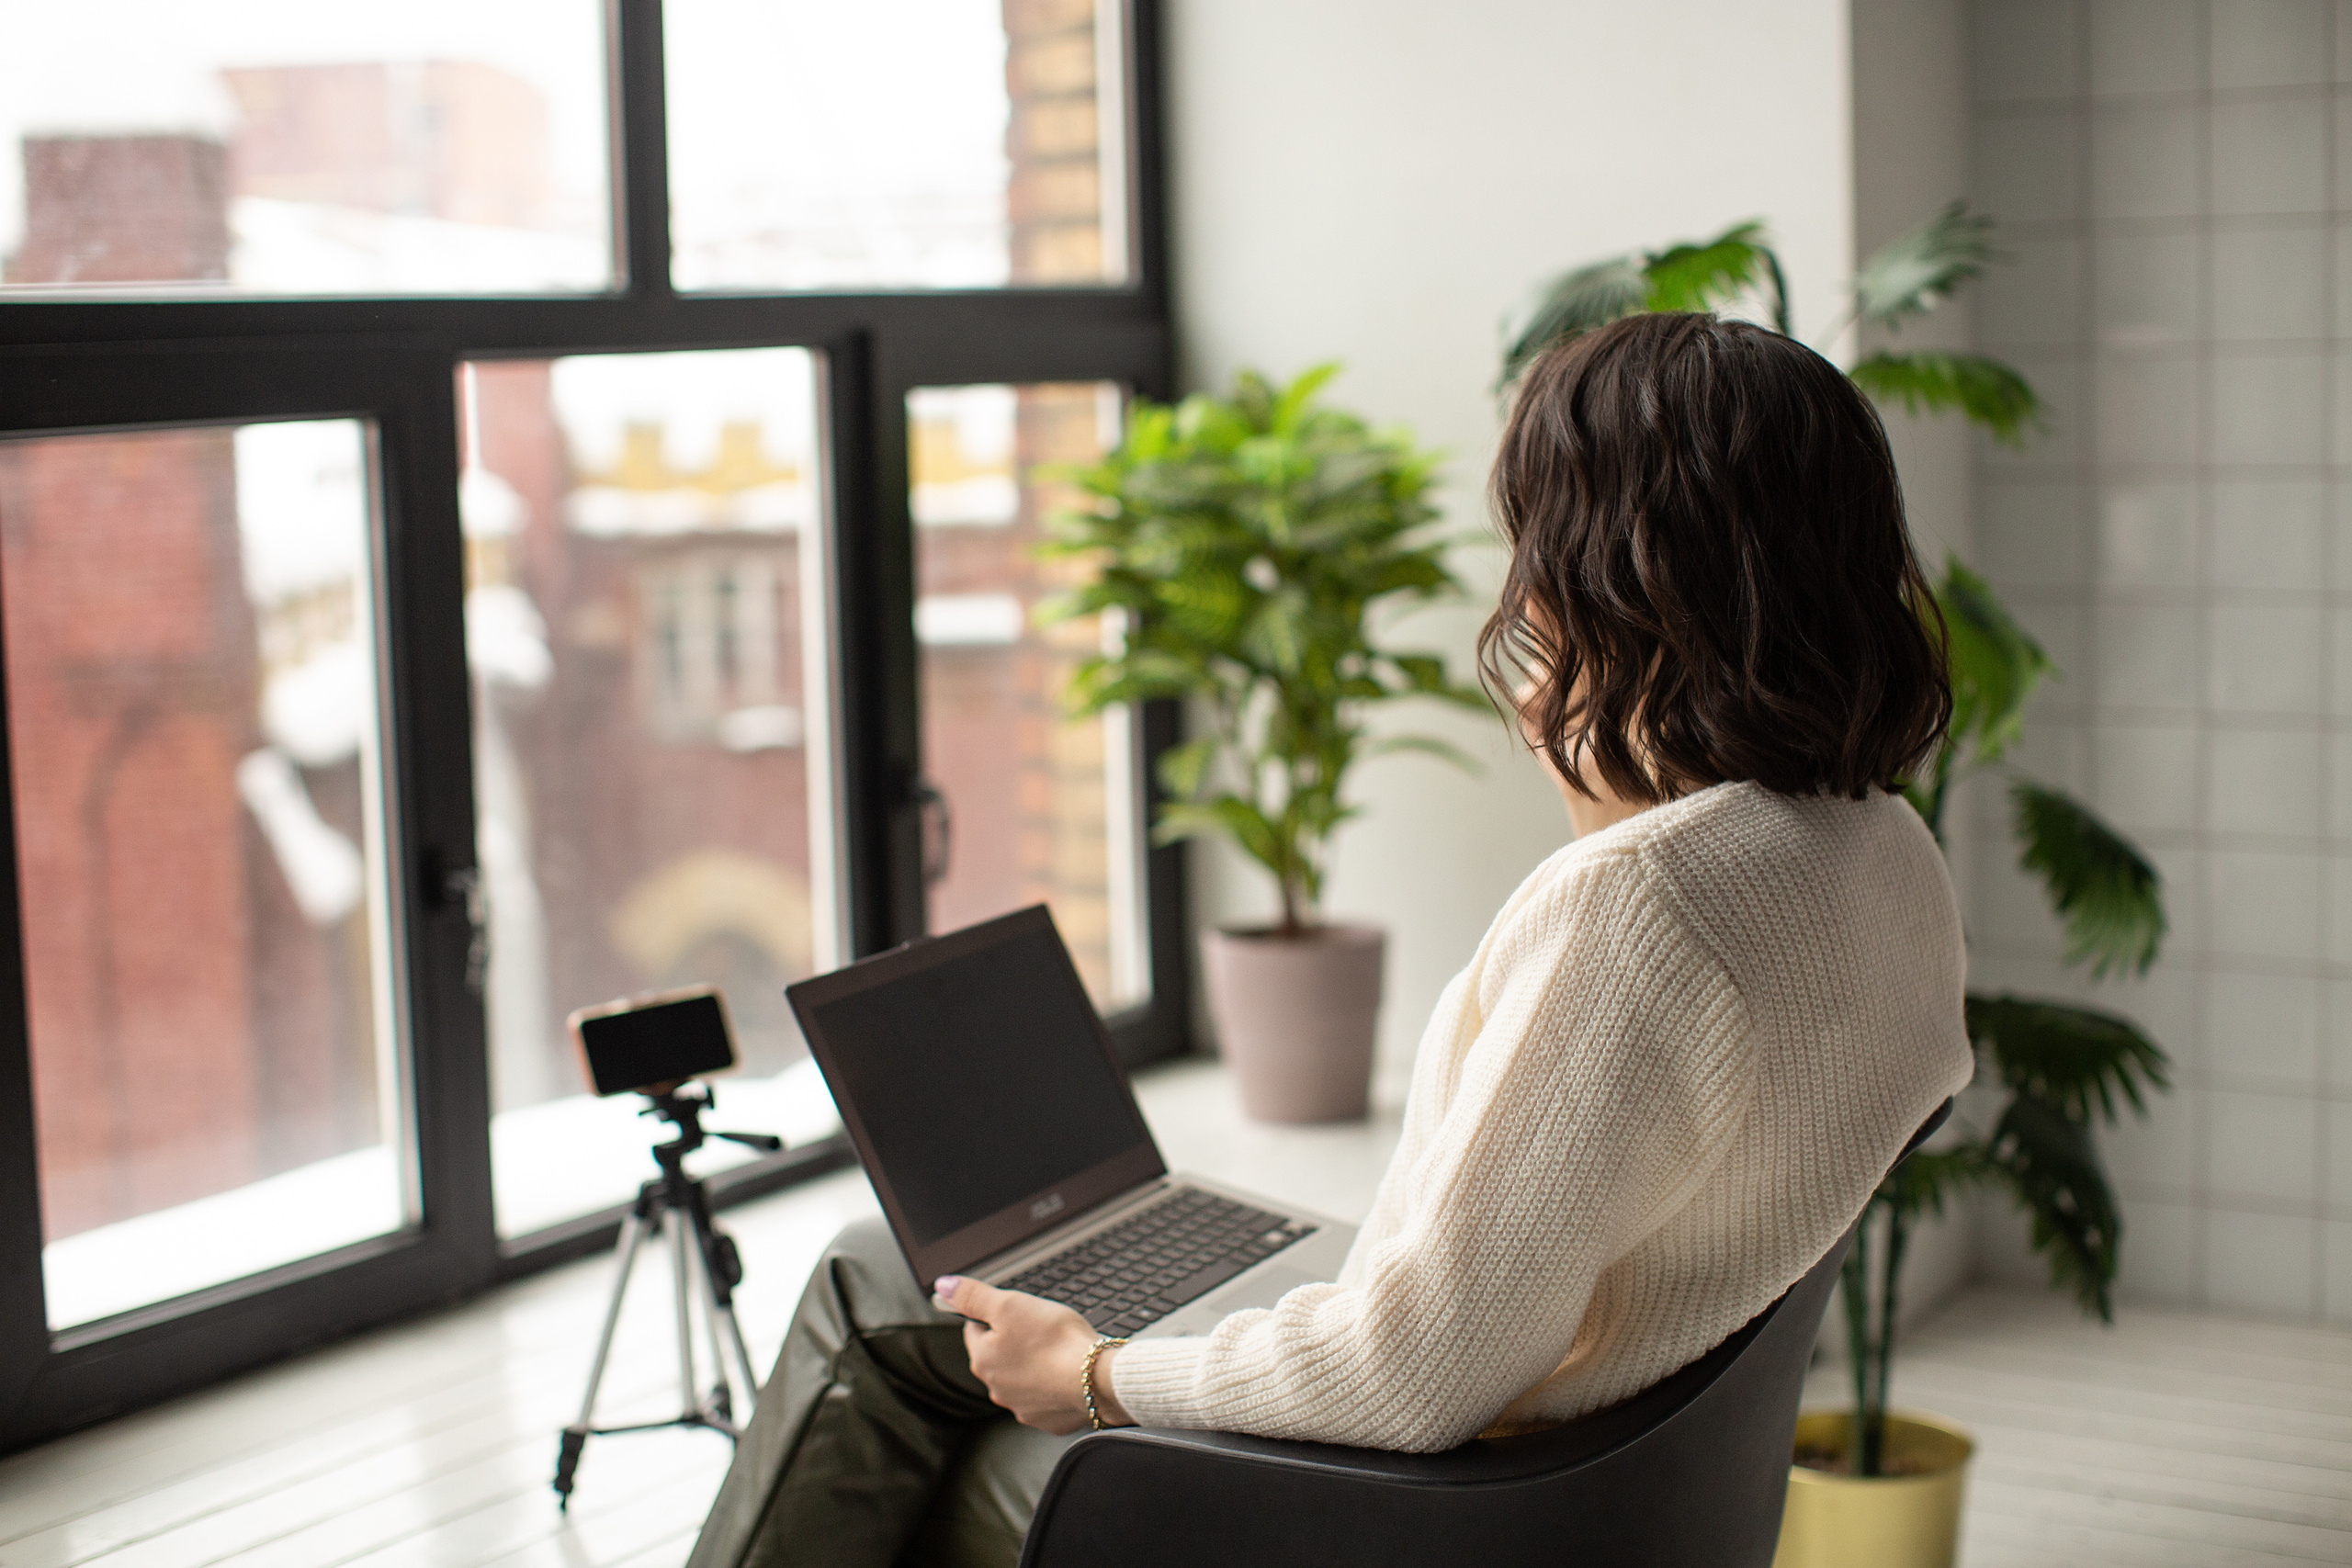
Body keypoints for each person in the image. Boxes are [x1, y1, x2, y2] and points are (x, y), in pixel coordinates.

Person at [687, 310, 1975, 1568]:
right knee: (916, 1280)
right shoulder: (1879, 851)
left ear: (1620, 576)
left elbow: (1413, 1380)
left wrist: (1093, 1376)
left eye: (1539, 544)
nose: (1523, 591)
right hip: (1604, 1492)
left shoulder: (1641, 906)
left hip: (1430, 1507)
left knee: (887, 1313)